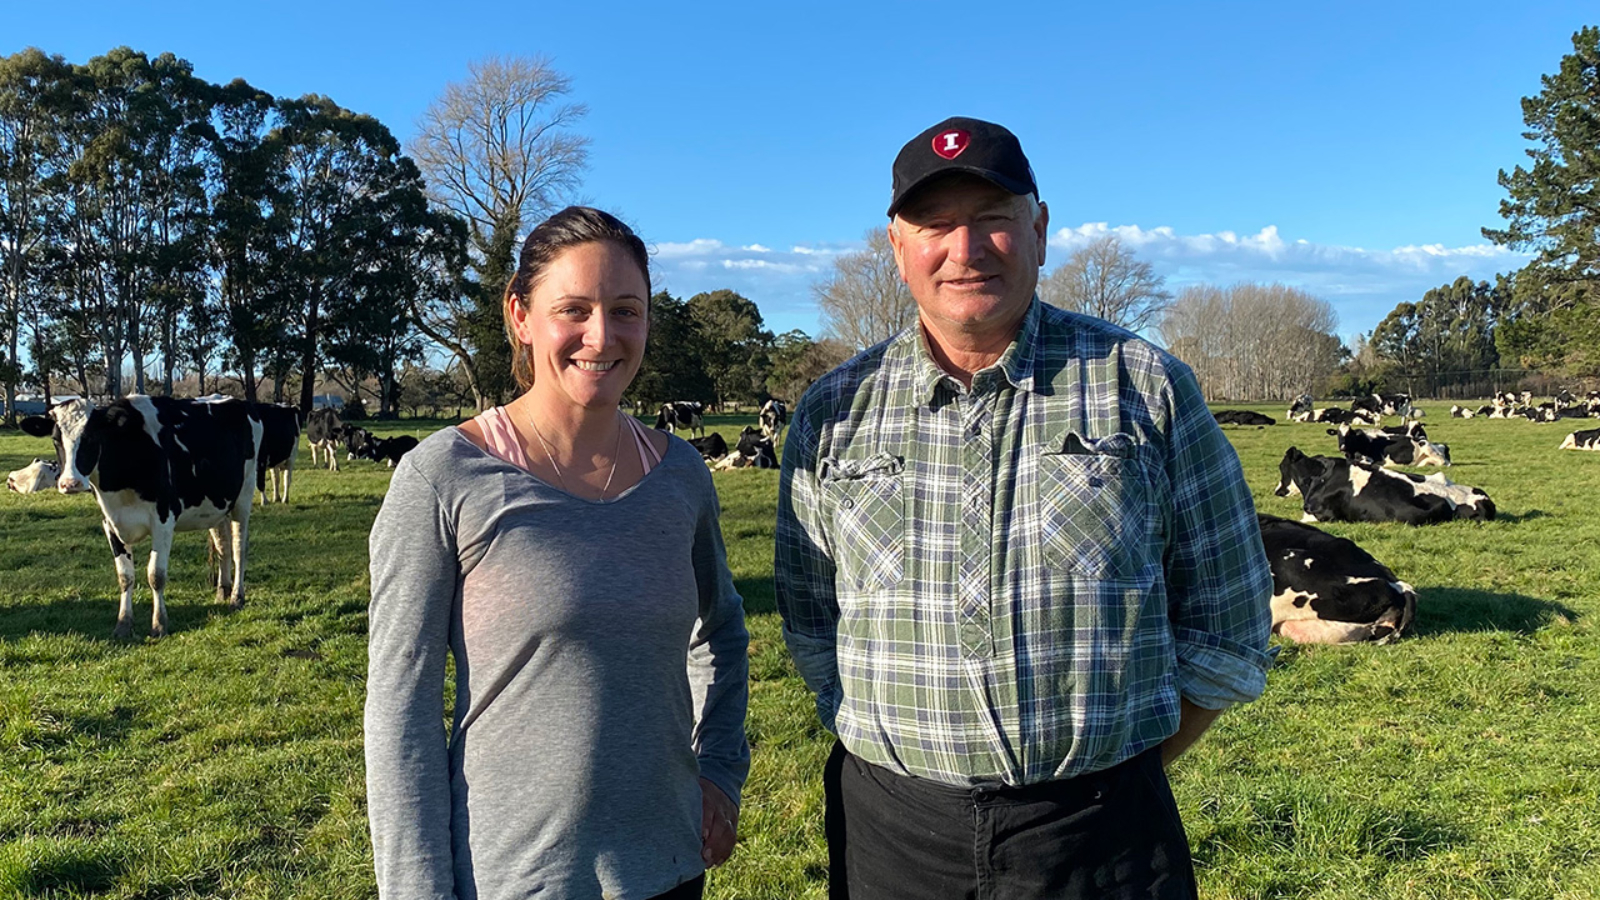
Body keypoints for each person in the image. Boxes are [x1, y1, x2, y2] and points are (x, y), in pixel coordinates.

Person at [775, 117, 1273, 899]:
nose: (964, 251)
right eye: (935, 226)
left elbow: (1229, 624)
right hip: (891, 833)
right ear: (897, 247)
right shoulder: (831, 412)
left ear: (1039, 230)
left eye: (992, 221)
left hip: (1102, 837)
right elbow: (811, 625)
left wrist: (1110, 762)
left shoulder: (1144, 387)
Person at [366, 207, 749, 900]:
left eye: (625, 311)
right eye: (573, 309)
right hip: (512, 876)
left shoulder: (682, 476)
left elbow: (719, 630)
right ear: (520, 314)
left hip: (668, 867)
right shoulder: (442, 477)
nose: (601, 337)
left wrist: (720, 770)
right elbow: (402, 709)